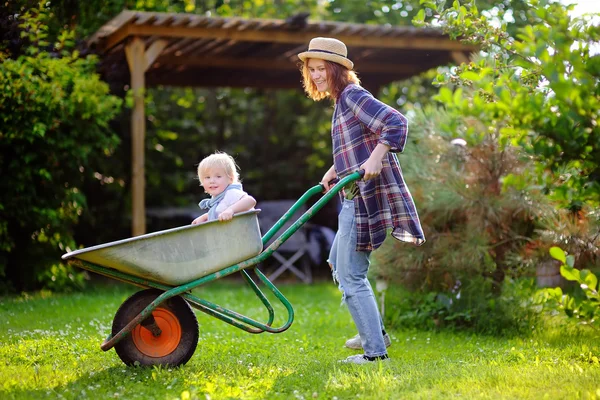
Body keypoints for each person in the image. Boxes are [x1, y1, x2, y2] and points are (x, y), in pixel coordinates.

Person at [298, 37, 426, 364]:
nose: (315, 76)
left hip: (362, 199)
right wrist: (333, 170)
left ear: (337, 69)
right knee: (338, 265)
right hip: (351, 195)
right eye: (311, 70)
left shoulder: (353, 95)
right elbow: (358, 141)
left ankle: (374, 354)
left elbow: (396, 122)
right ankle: (375, 332)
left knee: (352, 274)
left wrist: (378, 157)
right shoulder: (341, 101)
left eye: (321, 69)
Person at [191, 152, 256, 224]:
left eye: (218, 176)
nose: (212, 181)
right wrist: (205, 217)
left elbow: (250, 201)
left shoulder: (231, 193)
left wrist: (231, 210)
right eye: (207, 177)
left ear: (230, 178)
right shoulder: (217, 200)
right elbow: (220, 213)